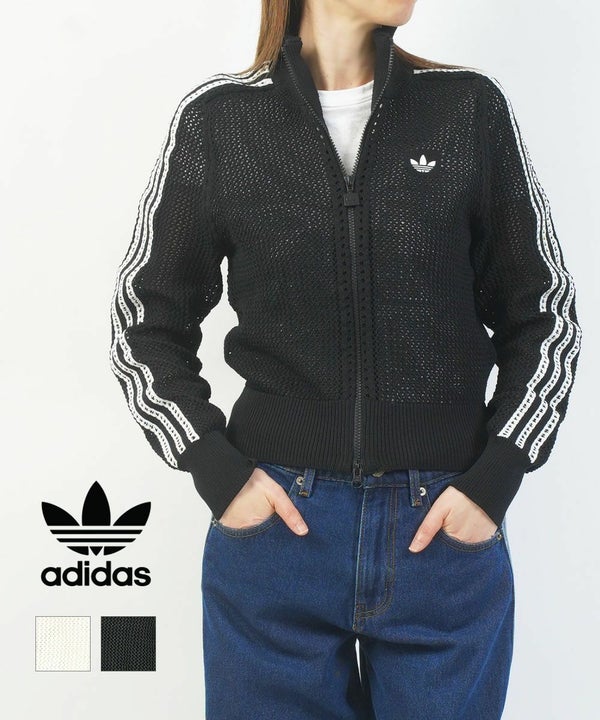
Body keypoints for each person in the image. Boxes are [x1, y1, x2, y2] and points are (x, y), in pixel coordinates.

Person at [109, 0, 582, 717]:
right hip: (276, 534)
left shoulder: (466, 111)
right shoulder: (221, 122)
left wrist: (496, 478)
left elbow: (545, 312)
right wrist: (216, 470)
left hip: (442, 535)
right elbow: (143, 319)